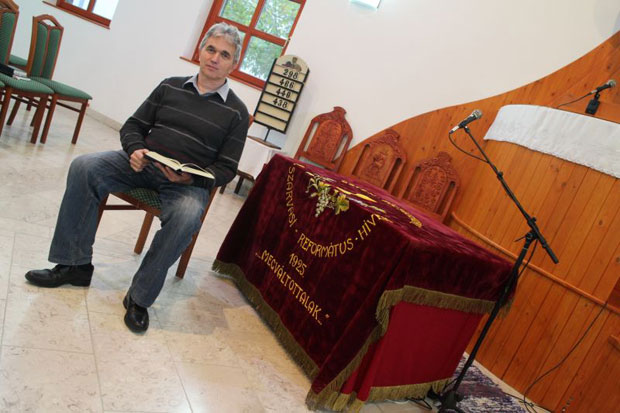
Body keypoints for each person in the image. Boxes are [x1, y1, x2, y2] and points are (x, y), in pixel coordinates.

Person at [24, 22, 250, 333]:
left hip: (184, 184)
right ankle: (74, 265)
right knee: (84, 167)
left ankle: (139, 297)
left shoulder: (237, 112)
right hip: (141, 164)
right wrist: (135, 149)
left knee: (187, 216)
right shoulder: (169, 86)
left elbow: (227, 167)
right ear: (200, 50)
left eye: (224, 54)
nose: (215, 58)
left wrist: (192, 179)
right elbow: (133, 126)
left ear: (233, 64)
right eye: (211, 49)